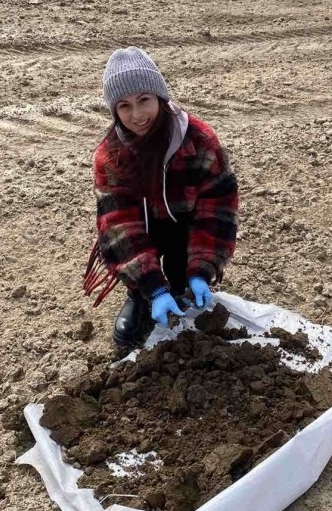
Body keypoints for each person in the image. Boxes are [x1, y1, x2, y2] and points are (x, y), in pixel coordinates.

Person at [84, 46, 239, 350]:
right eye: (125, 106)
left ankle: (185, 284)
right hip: (144, 226)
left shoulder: (199, 141)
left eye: (144, 100)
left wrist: (202, 270)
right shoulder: (110, 156)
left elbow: (217, 210)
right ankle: (140, 297)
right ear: (114, 111)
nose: (137, 115)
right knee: (140, 256)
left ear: (160, 98)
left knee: (186, 273)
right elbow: (118, 225)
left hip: (187, 223)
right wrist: (152, 288)